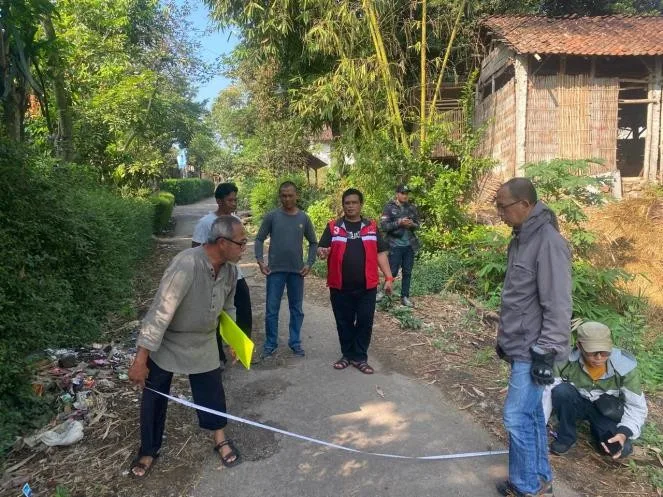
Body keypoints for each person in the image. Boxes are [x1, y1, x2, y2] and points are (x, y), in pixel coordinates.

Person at [128, 216, 247, 478]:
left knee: (212, 392)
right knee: (154, 395)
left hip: (203, 340)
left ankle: (220, 439)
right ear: (222, 242)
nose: (244, 248)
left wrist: (232, 341)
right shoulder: (186, 264)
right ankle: (148, 450)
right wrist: (140, 359)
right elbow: (159, 312)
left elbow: (228, 307)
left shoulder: (230, 270)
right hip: (169, 341)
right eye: (241, 243)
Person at [494, 177, 572, 497]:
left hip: (535, 349)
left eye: (503, 207)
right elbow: (519, 297)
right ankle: (539, 479)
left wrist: (547, 350)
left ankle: (525, 488)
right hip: (520, 343)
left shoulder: (548, 242)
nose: (499, 213)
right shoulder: (521, 238)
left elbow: (557, 303)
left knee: (515, 417)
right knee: (531, 415)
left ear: (525, 204)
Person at [317, 188, 394, 374]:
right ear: (343, 205)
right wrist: (322, 252)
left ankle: (360, 357)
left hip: (367, 287)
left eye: (354, 202)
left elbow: (380, 253)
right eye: (347, 203)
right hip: (340, 286)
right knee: (344, 322)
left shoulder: (371, 227)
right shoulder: (333, 227)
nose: (350, 206)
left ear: (360, 205)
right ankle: (347, 355)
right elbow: (321, 249)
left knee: (365, 321)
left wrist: (389, 277)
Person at [544, 321, 647, 460]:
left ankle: (598, 432)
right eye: (592, 352)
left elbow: (636, 407)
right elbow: (546, 392)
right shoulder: (565, 360)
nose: (599, 358)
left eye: (604, 352)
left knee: (620, 448)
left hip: (604, 411)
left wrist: (623, 433)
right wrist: (539, 425)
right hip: (576, 403)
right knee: (562, 391)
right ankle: (566, 437)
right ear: (579, 346)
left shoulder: (624, 368)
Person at [255, 181, 318, 358]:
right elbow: (259, 239)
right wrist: (260, 260)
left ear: (296, 195)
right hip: (275, 271)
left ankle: (295, 342)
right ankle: (270, 343)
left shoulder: (303, 218)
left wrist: (309, 263)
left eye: (290, 195)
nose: (287, 199)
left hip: (297, 272)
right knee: (271, 310)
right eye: (284, 195)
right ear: (280, 196)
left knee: (296, 309)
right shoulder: (272, 216)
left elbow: (313, 242)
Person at [192, 182, 253, 363]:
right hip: (213, 277)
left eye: (235, 200)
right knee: (216, 315)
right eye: (230, 200)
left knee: (244, 309)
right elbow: (195, 248)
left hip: (235, 274)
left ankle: (242, 350)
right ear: (219, 201)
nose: (234, 204)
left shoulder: (236, 221)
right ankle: (218, 356)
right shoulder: (206, 223)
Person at [378, 184, 420, 307]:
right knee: (392, 271)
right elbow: (384, 226)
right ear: (397, 194)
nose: (405, 195)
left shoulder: (412, 208)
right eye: (402, 193)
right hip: (394, 245)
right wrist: (399, 222)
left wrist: (412, 224)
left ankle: (405, 297)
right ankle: (383, 293)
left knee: (407, 272)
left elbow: (418, 225)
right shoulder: (389, 207)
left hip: (409, 245)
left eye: (406, 193)